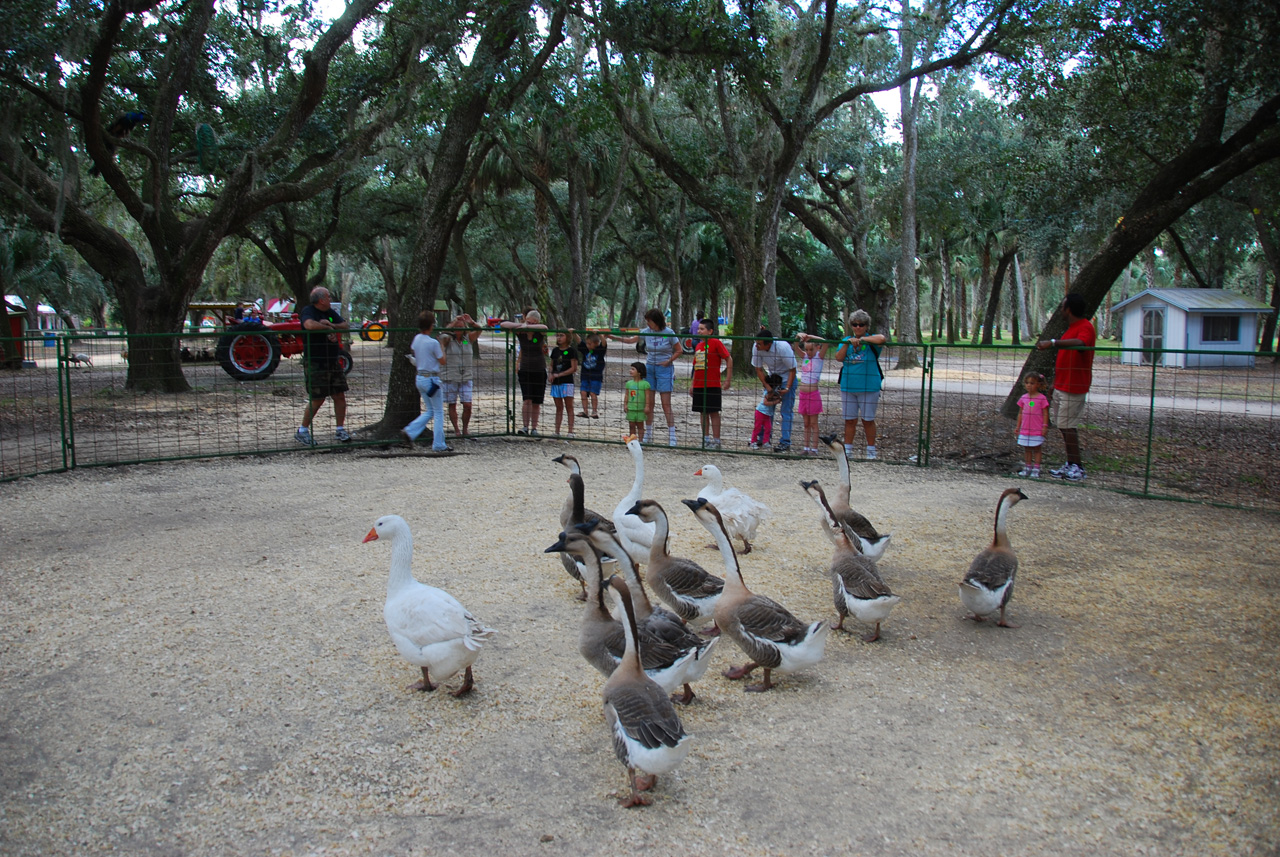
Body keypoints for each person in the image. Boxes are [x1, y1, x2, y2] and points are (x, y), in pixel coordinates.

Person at [1037, 292, 1096, 481]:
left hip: (1074, 386)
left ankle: (1078, 467)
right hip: (1062, 385)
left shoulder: (1085, 327)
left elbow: (1081, 344)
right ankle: (1071, 464)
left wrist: (1053, 343)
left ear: (1069, 309)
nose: (1061, 310)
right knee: (1064, 426)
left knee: (1067, 426)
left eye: (1062, 306)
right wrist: (1055, 383)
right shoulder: (1071, 328)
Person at [609, 309, 683, 446]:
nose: (648, 324)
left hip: (665, 369)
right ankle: (648, 434)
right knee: (649, 403)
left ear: (656, 321)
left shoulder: (669, 333)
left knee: (666, 404)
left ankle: (672, 435)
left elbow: (679, 350)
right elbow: (631, 340)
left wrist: (669, 361)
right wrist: (614, 337)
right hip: (650, 367)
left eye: (649, 321)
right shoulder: (645, 332)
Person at [295, 286, 351, 446]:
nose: (330, 299)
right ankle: (302, 431)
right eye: (328, 297)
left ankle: (340, 429)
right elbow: (309, 325)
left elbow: (345, 325)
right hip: (316, 361)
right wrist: (326, 327)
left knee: (339, 395)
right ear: (321, 300)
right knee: (317, 398)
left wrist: (331, 325)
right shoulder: (308, 311)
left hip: (332, 360)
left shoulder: (330, 313)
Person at [831, 310, 887, 460]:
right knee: (849, 419)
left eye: (861, 325)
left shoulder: (871, 341)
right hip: (849, 386)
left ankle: (871, 451)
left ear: (866, 326)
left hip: (869, 386)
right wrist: (848, 343)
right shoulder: (846, 340)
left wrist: (863, 340)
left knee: (868, 419)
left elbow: (882, 338)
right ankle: (848, 450)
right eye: (855, 325)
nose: (858, 328)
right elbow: (839, 357)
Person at [400, 309, 451, 452]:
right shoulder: (433, 342)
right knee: (439, 411)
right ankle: (439, 444)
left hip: (420, 377)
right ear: (431, 325)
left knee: (430, 410)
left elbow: (415, 351)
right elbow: (442, 360)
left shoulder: (417, 339)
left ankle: (410, 431)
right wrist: (442, 344)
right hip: (432, 379)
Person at [500, 310, 549, 436]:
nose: (529, 324)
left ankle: (534, 428)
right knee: (527, 399)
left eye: (532, 323)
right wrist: (521, 326)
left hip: (539, 368)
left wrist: (529, 326)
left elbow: (545, 327)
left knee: (537, 401)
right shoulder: (521, 332)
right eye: (527, 321)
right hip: (525, 369)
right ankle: (525, 426)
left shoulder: (540, 333)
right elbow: (503, 324)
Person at [751, 327, 798, 452]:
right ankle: (763, 438)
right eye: (756, 343)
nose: (756, 345)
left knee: (786, 410)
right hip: (773, 380)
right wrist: (768, 387)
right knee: (765, 410)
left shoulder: (783, 347)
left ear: (769, 344)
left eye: (759, 344)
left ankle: (785, 441)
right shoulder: (757, 348)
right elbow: (758, 368)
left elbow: (792, 369)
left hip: (787, 377)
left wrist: (787, 387)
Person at [690, 318, 732, 449]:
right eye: (698, 329)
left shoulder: (716, 343)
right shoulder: (698, 346)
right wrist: (692, 384)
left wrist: (727, 380)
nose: (699, 331)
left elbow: (728, 358)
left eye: (702, 329)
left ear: (710, 331)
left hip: (712, 384)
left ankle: (717, 440)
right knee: (703, 413)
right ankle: (705, 439)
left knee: (714, 412)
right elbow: (696, 366)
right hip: (698, 384)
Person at [442, 313, 482, 439]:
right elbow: (443, 333)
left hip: (466, 376)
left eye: (461, 327)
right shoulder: (448, 340)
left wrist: (471, 322)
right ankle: (456, 430)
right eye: (456, 327)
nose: (459, 329)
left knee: (467, 405)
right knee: (452, 404)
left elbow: (479, 330)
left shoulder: (467, 339)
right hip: (450, 376)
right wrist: (453, 323)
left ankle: (465, 428)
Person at [795, 332, 830, 456]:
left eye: (811, 349)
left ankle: (814, 449)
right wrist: (798, 337)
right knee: (806, 423)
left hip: (813, 394)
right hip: (803, 395)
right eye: (807, 349)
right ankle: (805, 447)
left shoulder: (819, 358)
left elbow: (826, 342)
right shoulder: (804, 357)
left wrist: (811, 337)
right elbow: (794, 346)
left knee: (814, 423)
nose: (809, 352)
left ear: (817, 348)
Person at [1014, 371, 1050, 478]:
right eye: (1027, 383)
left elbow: (1045, 413)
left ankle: (1036, 468)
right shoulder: (1023, 398)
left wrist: (1044, 426)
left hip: (1037, 429)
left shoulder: (1042, 398)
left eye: (1032, 383)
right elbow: (1020, 413)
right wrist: (1018, 426)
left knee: (1037, 448)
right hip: (1025, 428)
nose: (1029, 385)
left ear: (1038, 384)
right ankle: (1028, 466)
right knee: (1027, 448)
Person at [549, 330, 579, 438]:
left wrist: (559, 374)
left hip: (567, 382)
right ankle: (557, 432)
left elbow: (573, 368)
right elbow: (552, 364)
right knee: (558, 407)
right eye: (558, 335)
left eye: (561, 335)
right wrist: (551, 373)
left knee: (569, 407)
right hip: (556, 383)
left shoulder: (572, 351)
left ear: (567, 337)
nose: (559, 338)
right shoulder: (555, 351)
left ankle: (570, 432)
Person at [749, 373, 785, 449]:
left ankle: (765, 441)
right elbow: (765, 403)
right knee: (757, 427)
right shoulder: (768, 393)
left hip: (767, 413)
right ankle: (753, 441)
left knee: (768, 427)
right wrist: (776, 402)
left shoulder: (773, 393)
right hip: (761, 412)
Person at [576, 332, 607, 419]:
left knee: (593, 393)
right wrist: (574, 333)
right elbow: (579, 341)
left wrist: (600, 334)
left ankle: (594, 411)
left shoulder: (600, 351)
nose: (588, 345)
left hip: (596, 376)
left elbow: (604, 343)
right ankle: (585, 411)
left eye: (590, 343)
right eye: (587, 343)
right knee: (583, 392)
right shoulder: (585, 349)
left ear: (596, 343)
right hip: (585, 375)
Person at [624, 362, 653, 438]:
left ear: (639, 372)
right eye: (631, 369)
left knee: (640, 426)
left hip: (640, 409)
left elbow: (647, 396)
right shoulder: (629, 383)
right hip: (631, 408)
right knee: (631, 425)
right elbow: (626, 395)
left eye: (633, 369)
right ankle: (632, 441)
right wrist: (625, 405)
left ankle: (640, 442)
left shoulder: (645, 384)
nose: (630, 371)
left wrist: (647, 406)